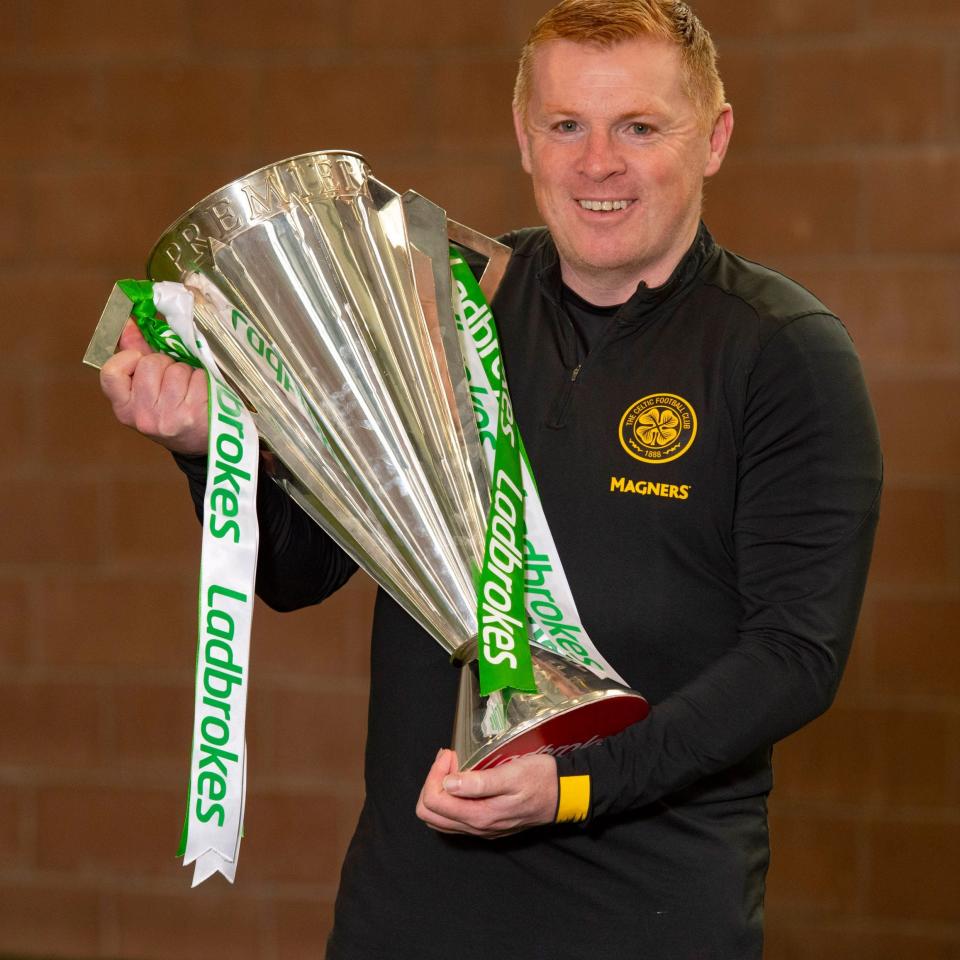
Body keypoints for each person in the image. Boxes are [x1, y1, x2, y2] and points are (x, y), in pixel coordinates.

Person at [100, 1, 882, 957]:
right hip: (408, 910)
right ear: (524, 136)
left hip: (644, 915)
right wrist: (204, 444)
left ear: (713, 138)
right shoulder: (441, 307)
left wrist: (578, 781)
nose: (598, 163)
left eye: (639, 126)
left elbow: (795, 657)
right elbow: (301, 573)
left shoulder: (782, 353)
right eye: (566, 126)